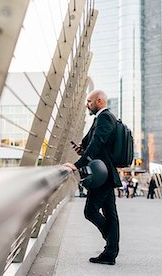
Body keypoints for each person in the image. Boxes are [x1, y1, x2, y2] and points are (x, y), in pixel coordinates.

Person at [63, 89, 122, 266]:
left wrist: (77, 164)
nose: (86, 104)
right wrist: (82, 150)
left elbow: (98, 143)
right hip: (104, 172)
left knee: (91, 211)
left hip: (101, 174)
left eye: (89, 101)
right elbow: (97, 145)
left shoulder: (105, 118)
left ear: (99, 101)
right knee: (110, 214)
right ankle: (110, 251)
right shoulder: (104, 118)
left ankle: (111, 244)